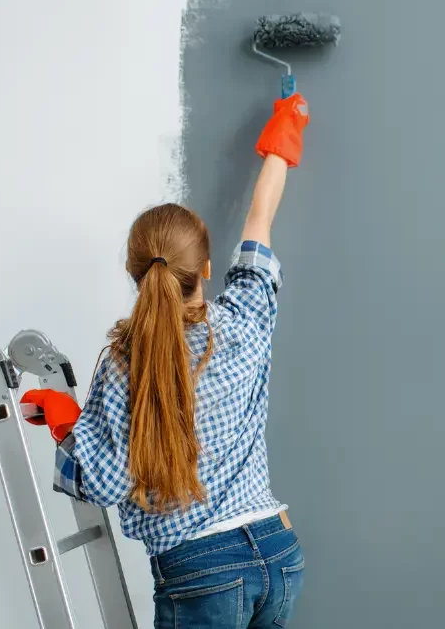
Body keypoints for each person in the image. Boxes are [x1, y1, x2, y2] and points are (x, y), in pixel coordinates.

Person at [20, 92, 311, 628]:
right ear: (205, 264)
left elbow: (102, 482)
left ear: (136, 274)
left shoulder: (127, 362)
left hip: (202, 570)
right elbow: (260, 221)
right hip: (278, 551)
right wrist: (284, 138)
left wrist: (66, 426)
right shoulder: (248, 318)